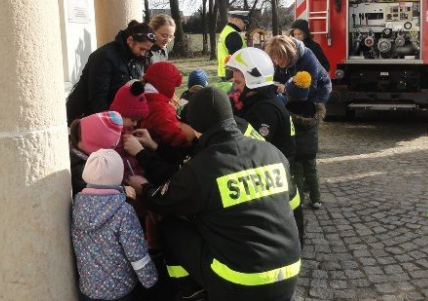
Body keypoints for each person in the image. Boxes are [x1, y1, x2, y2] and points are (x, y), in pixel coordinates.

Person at [128, 87, 301, 301]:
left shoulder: (204, 166)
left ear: (196, 125)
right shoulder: (273, 153)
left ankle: (189, 290)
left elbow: (162, 202)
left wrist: (143, 187)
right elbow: (295, 207)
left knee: (170, 225)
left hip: (238, 284)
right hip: (289, 273)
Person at [225, 47, 304, 244]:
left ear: (253, 81)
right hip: (277, 167)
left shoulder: (264, 111)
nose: (235, 88)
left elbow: (252, 148)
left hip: (276, 172)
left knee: (283, 210)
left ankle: (290, 241)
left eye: (238, 82)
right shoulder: (258, 102)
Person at [71, 149, 158, 301]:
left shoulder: (76, 207)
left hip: (88, 288)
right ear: (118, 176)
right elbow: (136, 253)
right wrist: (149, 280)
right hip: (118, 288)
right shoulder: (124, 212)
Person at [67, 21, 156, 124]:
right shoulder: (104, 56)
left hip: (115, 117)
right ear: (130, 40)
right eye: (141, 49)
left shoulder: (135, 58)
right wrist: (112, 125)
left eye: (147, 51)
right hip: (88, 118)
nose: (143, 54)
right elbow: (98, 98)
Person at [284, 71, 325, 209]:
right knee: (312, 172)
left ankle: (299, 200)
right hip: (311, 148)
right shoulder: (313, 107)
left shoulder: (288, 109)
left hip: (297, 148)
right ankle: (316, 199)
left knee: (298, 174)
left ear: (290, 94)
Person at [139, 62, 194, 148]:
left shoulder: (142, 98)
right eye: (174, 87)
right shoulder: (161, 109)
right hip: (160, 155)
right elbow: (178, 137)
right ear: (166, 85)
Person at [266, 35, 332, 105]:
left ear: (288, 53)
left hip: (319, 89)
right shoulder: (282, 59)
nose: (276, 62)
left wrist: (286, 89)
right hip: (295, 89)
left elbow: (311, 88)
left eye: (279, 58)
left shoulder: (307, 58)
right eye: (274, 58)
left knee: (310, 111)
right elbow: (277, 78)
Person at [216, 11, 248, 79]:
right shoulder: (233, 34)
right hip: (232, 76)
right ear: (236, 20)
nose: (245, 25)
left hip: (225, 73)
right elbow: (237, 58)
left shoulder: (227, 31)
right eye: (244, 22)